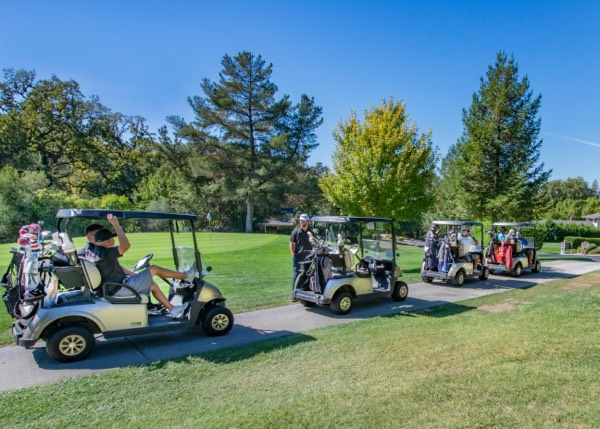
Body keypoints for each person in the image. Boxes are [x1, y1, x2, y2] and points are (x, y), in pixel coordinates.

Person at [92, 214, 194, 318]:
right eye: (113, 239)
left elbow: (116, 268)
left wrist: (133, 273)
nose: (114, 241)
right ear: (109, 240)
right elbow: (125, 246)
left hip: (115, 287)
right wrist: (116, 225)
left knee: (152, 285)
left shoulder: (97, 253)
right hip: (119, 289)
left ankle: (172, 309)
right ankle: (186, 276)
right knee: (154, 268)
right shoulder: (105, 253)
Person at [289, 213, 314, 300]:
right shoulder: (296, 231)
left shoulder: (311, 232)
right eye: (300, 220)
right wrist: (294, 255)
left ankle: (304, 294)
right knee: (297, 275)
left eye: (303, 221)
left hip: (309, 258)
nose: (301, 222)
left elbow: (315, 244)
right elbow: (291, 243)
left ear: (307, 222)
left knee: (307, 275)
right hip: (298, 257)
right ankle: (294, 294)